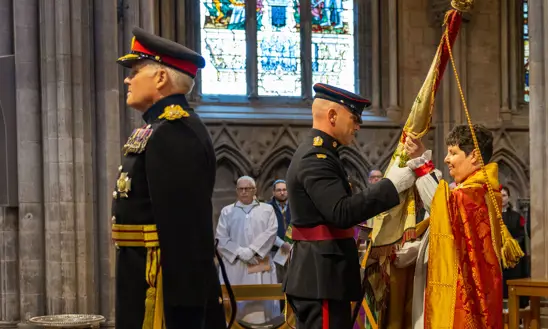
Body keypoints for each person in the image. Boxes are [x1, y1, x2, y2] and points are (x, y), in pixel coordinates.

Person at [111, 27, 226, 329]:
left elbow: (186, 231)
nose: (127, 79)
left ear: (161, 78)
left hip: (163, 291)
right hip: (143, 276)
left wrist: (186, 312)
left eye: (135, 70)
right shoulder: (159, 128)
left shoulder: (176, 132)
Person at [283, 83, 416, 329]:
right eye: (354, 118)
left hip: (324, 275)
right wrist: (391, 186)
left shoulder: (324, 154)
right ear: (332, 116)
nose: (357, 126)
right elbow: (341, 212)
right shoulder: (316, 157)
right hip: (321, 276)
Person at [393, 125, 523, 329]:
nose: (446, 159)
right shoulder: (465, 192)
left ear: (474, 156)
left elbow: (442, 207)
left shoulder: (477, 194)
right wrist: (402, 255)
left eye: (453, 153)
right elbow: (442, 237)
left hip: (467, 297)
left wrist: (421, 162)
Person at [215, 176, 281, 321]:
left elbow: (271, 232)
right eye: (241, 189)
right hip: (234, 266)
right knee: (235, 306)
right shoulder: (227, 211)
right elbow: (221, 238)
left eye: (248, 189)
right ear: (237, 191)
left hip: (259, 262)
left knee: (261, 306)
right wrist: (240, 252)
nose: (244, 192)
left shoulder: (267, 209)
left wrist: (252, 250)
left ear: (254, 190)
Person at [501, 185, 530, 307]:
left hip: (513, 260)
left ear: (508, 197)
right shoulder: (490, 215)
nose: (502, 198)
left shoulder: (516, 216)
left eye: (504, 195)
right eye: (499, 195)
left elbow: (521, 237)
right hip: (497, 259)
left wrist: (509, 247)